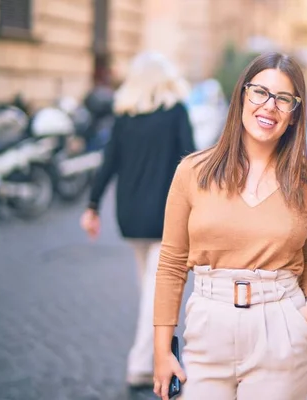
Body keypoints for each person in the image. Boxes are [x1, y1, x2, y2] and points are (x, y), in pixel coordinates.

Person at [152, 52, 307, 400]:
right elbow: (172, 263)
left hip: (282, 328)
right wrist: (162, 350)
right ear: (242, 96)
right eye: (260, 92)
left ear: (295, 114)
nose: (269, 106)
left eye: (284, 99)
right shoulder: (193, 172)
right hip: (207, 327)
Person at [79, 51, 197, 387]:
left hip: (130, 215)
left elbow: (108, 163)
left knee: (151, 290)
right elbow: (190, 161)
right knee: (157, 295)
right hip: (164, 217)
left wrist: (92, 205)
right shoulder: (176, 113)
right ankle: (142, 364)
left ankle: (153, 357)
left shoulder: (125, 116)